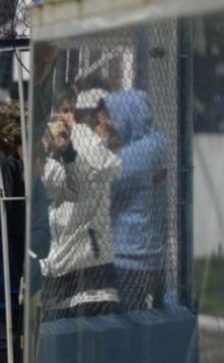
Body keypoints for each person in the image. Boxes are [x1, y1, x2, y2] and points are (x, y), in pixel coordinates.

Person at [40, 89, 122, 320]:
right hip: (56, 269)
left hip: (89, 273)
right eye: (62, 111)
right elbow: (50, 186)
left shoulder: (86, 143)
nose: (66, 118)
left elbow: (83, 180)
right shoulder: (46, 147)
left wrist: (67, 152)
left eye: (71, 111)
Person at [103, 90, 169, 311]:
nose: (110, 134)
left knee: (130, 322)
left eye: (113, 127)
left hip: (131, 257)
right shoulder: (153, 144)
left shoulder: (148, 149)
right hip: (148, 257)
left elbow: (102, 176)